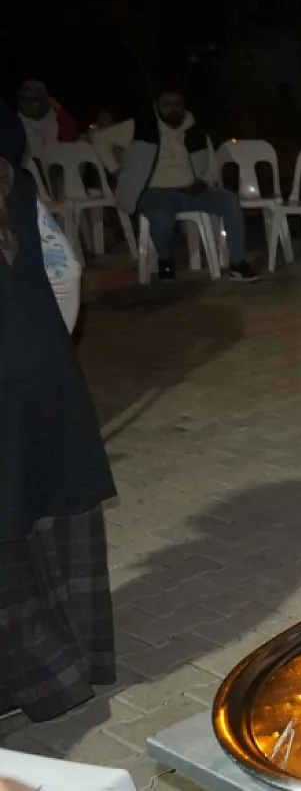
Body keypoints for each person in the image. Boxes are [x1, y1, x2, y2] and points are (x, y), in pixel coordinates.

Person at [0, 98, 118, 722]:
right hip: (44, 379)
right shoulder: (16, 187)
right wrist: (47, 345)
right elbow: (65, 270)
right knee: (47, 519)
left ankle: (29, 682)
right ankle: (70, 669)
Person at [98, 89, 258, 282]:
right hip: (154, 192)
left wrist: (204, 181)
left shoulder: (196, 131)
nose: (173, 108)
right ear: (156, 106)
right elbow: (99, 139)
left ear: (184, 106)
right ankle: (165, 259)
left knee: (229, 200)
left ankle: (238, 262)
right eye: (167, 103)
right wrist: (116, 170)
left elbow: (212, 165)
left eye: (177, 103)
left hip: (191, 190)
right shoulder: (140, 126)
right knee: (161, 219)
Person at [15, 81, 79, 168]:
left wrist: (62, 113)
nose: (28, 105)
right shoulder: (15, 123)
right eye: (24, 100)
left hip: (58, 170)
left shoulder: (55, 117)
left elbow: (71, 143)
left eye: (34, 100)